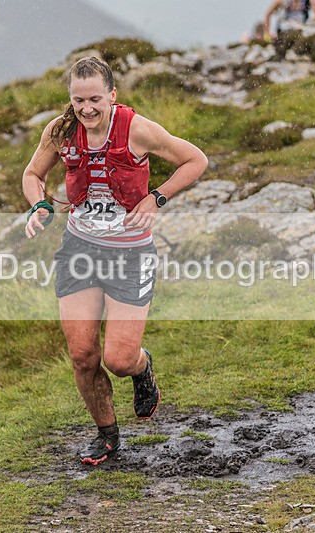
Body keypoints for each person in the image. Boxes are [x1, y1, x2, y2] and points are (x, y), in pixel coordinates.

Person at [22, 56, 208, 465]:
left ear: (112, 95)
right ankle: (106, 435)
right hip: (79, 250)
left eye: (94, 99)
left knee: (118, 359)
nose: (86, 109)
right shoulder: (60, 130)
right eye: (77, 100)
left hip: (130, 254)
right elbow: (32, 174)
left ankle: (143, 369)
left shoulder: (137, 130)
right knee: (82, 355)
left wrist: (156, 198)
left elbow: (196, 160)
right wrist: (39, 206)